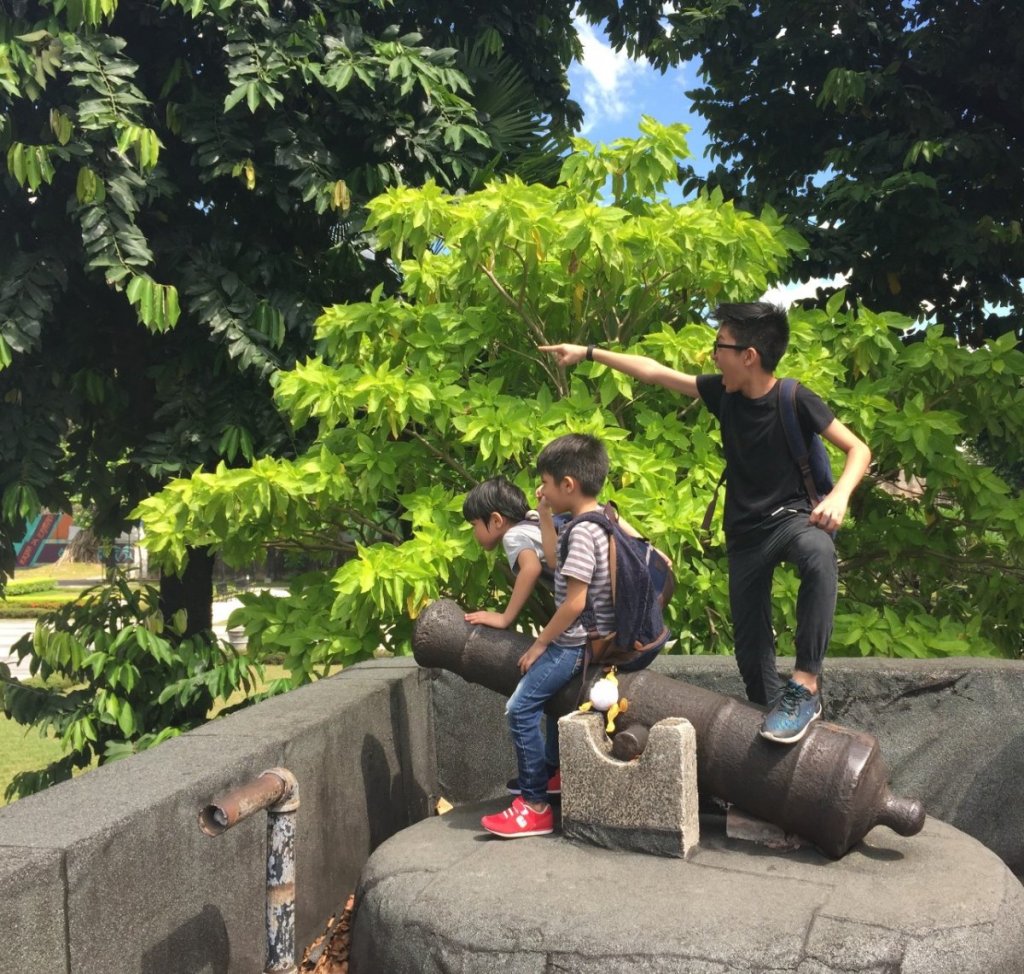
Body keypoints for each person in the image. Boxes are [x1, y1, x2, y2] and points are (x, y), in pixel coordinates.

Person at [539, 302, 872, 745]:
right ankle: (777, 735)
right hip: (745, 535)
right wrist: (588, 352)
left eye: (720, 346)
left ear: (748, 355)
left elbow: (859, 451)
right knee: (751, 656)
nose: (713, 355)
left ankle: (806, 685)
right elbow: (655, 372)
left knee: (818, 553)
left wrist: (839, 496)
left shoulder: (796, 398)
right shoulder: (724, 395)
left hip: (792, 518)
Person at [480, 433, 615, 838]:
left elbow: (574, 603)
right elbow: (554, 560)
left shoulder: (585, 532)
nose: (543, 491)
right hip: (584, 638)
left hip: (574, 644)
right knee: (546, 705)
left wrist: (541, 642)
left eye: (547, 485)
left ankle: (534, 805)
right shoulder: (591, 522)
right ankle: (551, 775)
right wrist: (542, 513)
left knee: (520, 709)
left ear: (567, 485)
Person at [462, 477, 547, 631]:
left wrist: (504, 618)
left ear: (496, 520)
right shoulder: (533, 522)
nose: (474, 533)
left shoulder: (513, 536)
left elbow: (531, 569)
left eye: (475, 525)